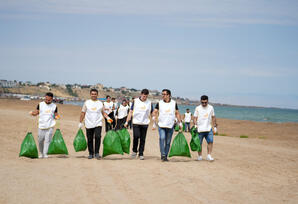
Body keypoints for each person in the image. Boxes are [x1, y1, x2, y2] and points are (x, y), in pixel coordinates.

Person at [79, 89, 110, 159]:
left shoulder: (100, 103)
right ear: (90, 94)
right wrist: (80, 122)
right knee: (89, 139)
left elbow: (103, 112)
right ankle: (90, 153)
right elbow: (83, 113)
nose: (94, 95)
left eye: (95, 94)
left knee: (98, 137)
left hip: (98, 123)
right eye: (92, 94)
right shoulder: (86, 103)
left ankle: (97, 153)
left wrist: (107, 118)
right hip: (88, 123)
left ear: (97, 95)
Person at [152, 89, 182, 162]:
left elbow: (177, 113)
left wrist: (180, 122)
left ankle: (165, 156)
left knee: (168, 142)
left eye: (164, 94)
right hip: (161, 125)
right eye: (162, 94)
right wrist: (153, 118)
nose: (163, 95)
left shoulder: (174, 103)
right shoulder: (159, 103)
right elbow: (155, 111)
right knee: (162, 138)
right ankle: (162, 154)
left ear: (169, 95)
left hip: (170, 125)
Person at [124, 89, 152, 160]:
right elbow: (130, 112)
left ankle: (141, 153)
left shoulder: (149, 102)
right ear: (141, 94)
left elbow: (152, 113)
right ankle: (134, 151)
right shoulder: (135, 101)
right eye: (143, 96)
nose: (144, 97)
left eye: (146, 96)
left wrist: (154, 123)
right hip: (136, 122)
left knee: (143, 139)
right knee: (136, 136)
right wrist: (127, 122)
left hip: (145, 123)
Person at [30, 92, 59, 159]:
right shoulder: (40, 104)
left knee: (47, 140)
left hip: (50, 125)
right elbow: (37, 112)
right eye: (46, 99)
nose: (47, 101)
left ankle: (45, 154)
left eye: (49, 100)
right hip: (41, 125)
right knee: (40, 140)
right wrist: (32, 113)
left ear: (52, 99)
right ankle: (41, 153)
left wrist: (57, 117)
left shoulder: (54, 106)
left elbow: (56, 114)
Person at [193, 95, 218, 161]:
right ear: (200, 101)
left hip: (208, 128)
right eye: (202, 102)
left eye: (205, 102)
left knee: (210, 141)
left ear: (207, 101)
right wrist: (195, 125)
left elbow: (213, 117)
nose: (204, 104)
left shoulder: (211, 108)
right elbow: (195, 118)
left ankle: (209, 155)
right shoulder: (197, 108)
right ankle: (200, 156)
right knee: (199, 143)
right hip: (200, 129)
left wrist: (215, 126)